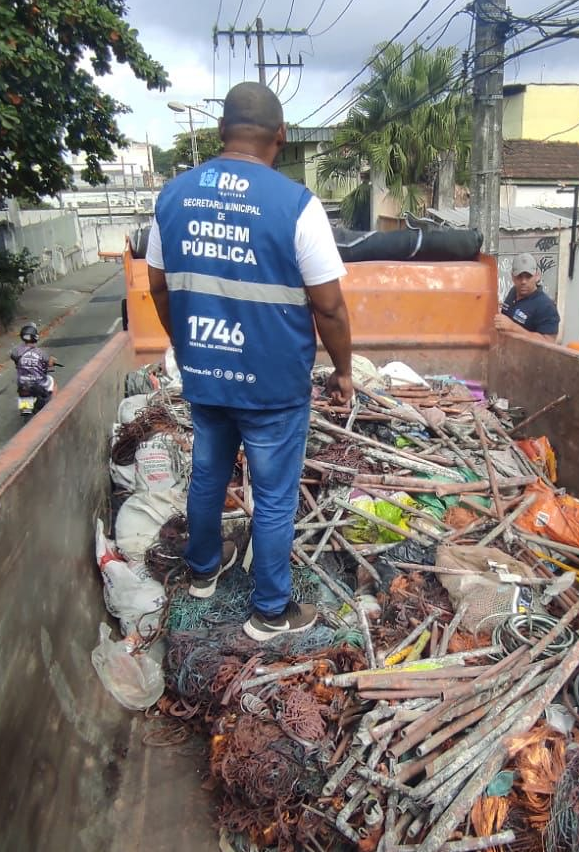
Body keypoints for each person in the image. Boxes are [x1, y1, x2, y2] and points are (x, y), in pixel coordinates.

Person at [146, 82, 354, 642]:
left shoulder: (172, 198)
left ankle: (203, 571)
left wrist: (187, 345)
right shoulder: (297, 206)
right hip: (273, 386)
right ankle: (269, 612)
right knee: (274, 495)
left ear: (220, 131)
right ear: (281, 137)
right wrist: (344, 370)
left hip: (206, 373)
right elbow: (329, 306)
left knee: (209, 474)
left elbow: (160, 289)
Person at [494, 252, 560, 343]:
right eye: (519, 277)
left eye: (528, 276)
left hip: (529, 356)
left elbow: (548, 343)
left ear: (537, 276)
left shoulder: (546, 306)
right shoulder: (513, 292)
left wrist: (513, 327)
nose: (523, 281)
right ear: (513, 277)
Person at [9, 323, 55, 399]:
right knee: (52, 382)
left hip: (22, 383)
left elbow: (13, 357)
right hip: (38, 383)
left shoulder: (16, 351)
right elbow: (49, 363)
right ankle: (52, 407)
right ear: (35, 337)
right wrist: (51, 362)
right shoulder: (40, 353)